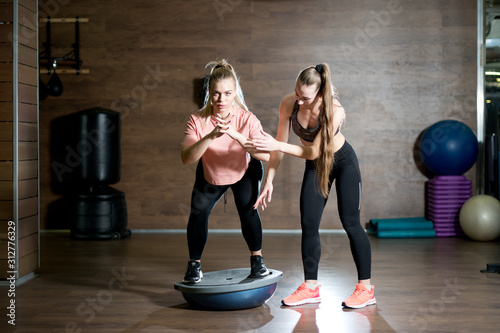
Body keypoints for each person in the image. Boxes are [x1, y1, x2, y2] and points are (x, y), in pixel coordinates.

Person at [252, 63, 375, 309]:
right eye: (296, 94)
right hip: (317, 166)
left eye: (305, 98)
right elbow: (280, 143)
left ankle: (366, 288)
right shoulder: (289, 103)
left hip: (342, 162)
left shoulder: (334, 110)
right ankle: (310, 287)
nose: (298, 101)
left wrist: (276, 146)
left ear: (319, 94)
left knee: (351, 222)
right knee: (308, 223)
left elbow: (312, 151)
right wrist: (269, 181)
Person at [180, 59, 270, 284]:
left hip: (244, 170)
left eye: (227, 93)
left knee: (248, 210)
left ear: (235, 93)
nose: (221, 99)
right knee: (197, 213)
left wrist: (236, 135)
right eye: (216, 93)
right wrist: (211, 136)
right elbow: (187, 158)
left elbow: (267, 155)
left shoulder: (246, 118)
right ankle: (194, 265)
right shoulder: (197, 120)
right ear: (209, 93)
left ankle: (257, 260)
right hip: (211, 172)